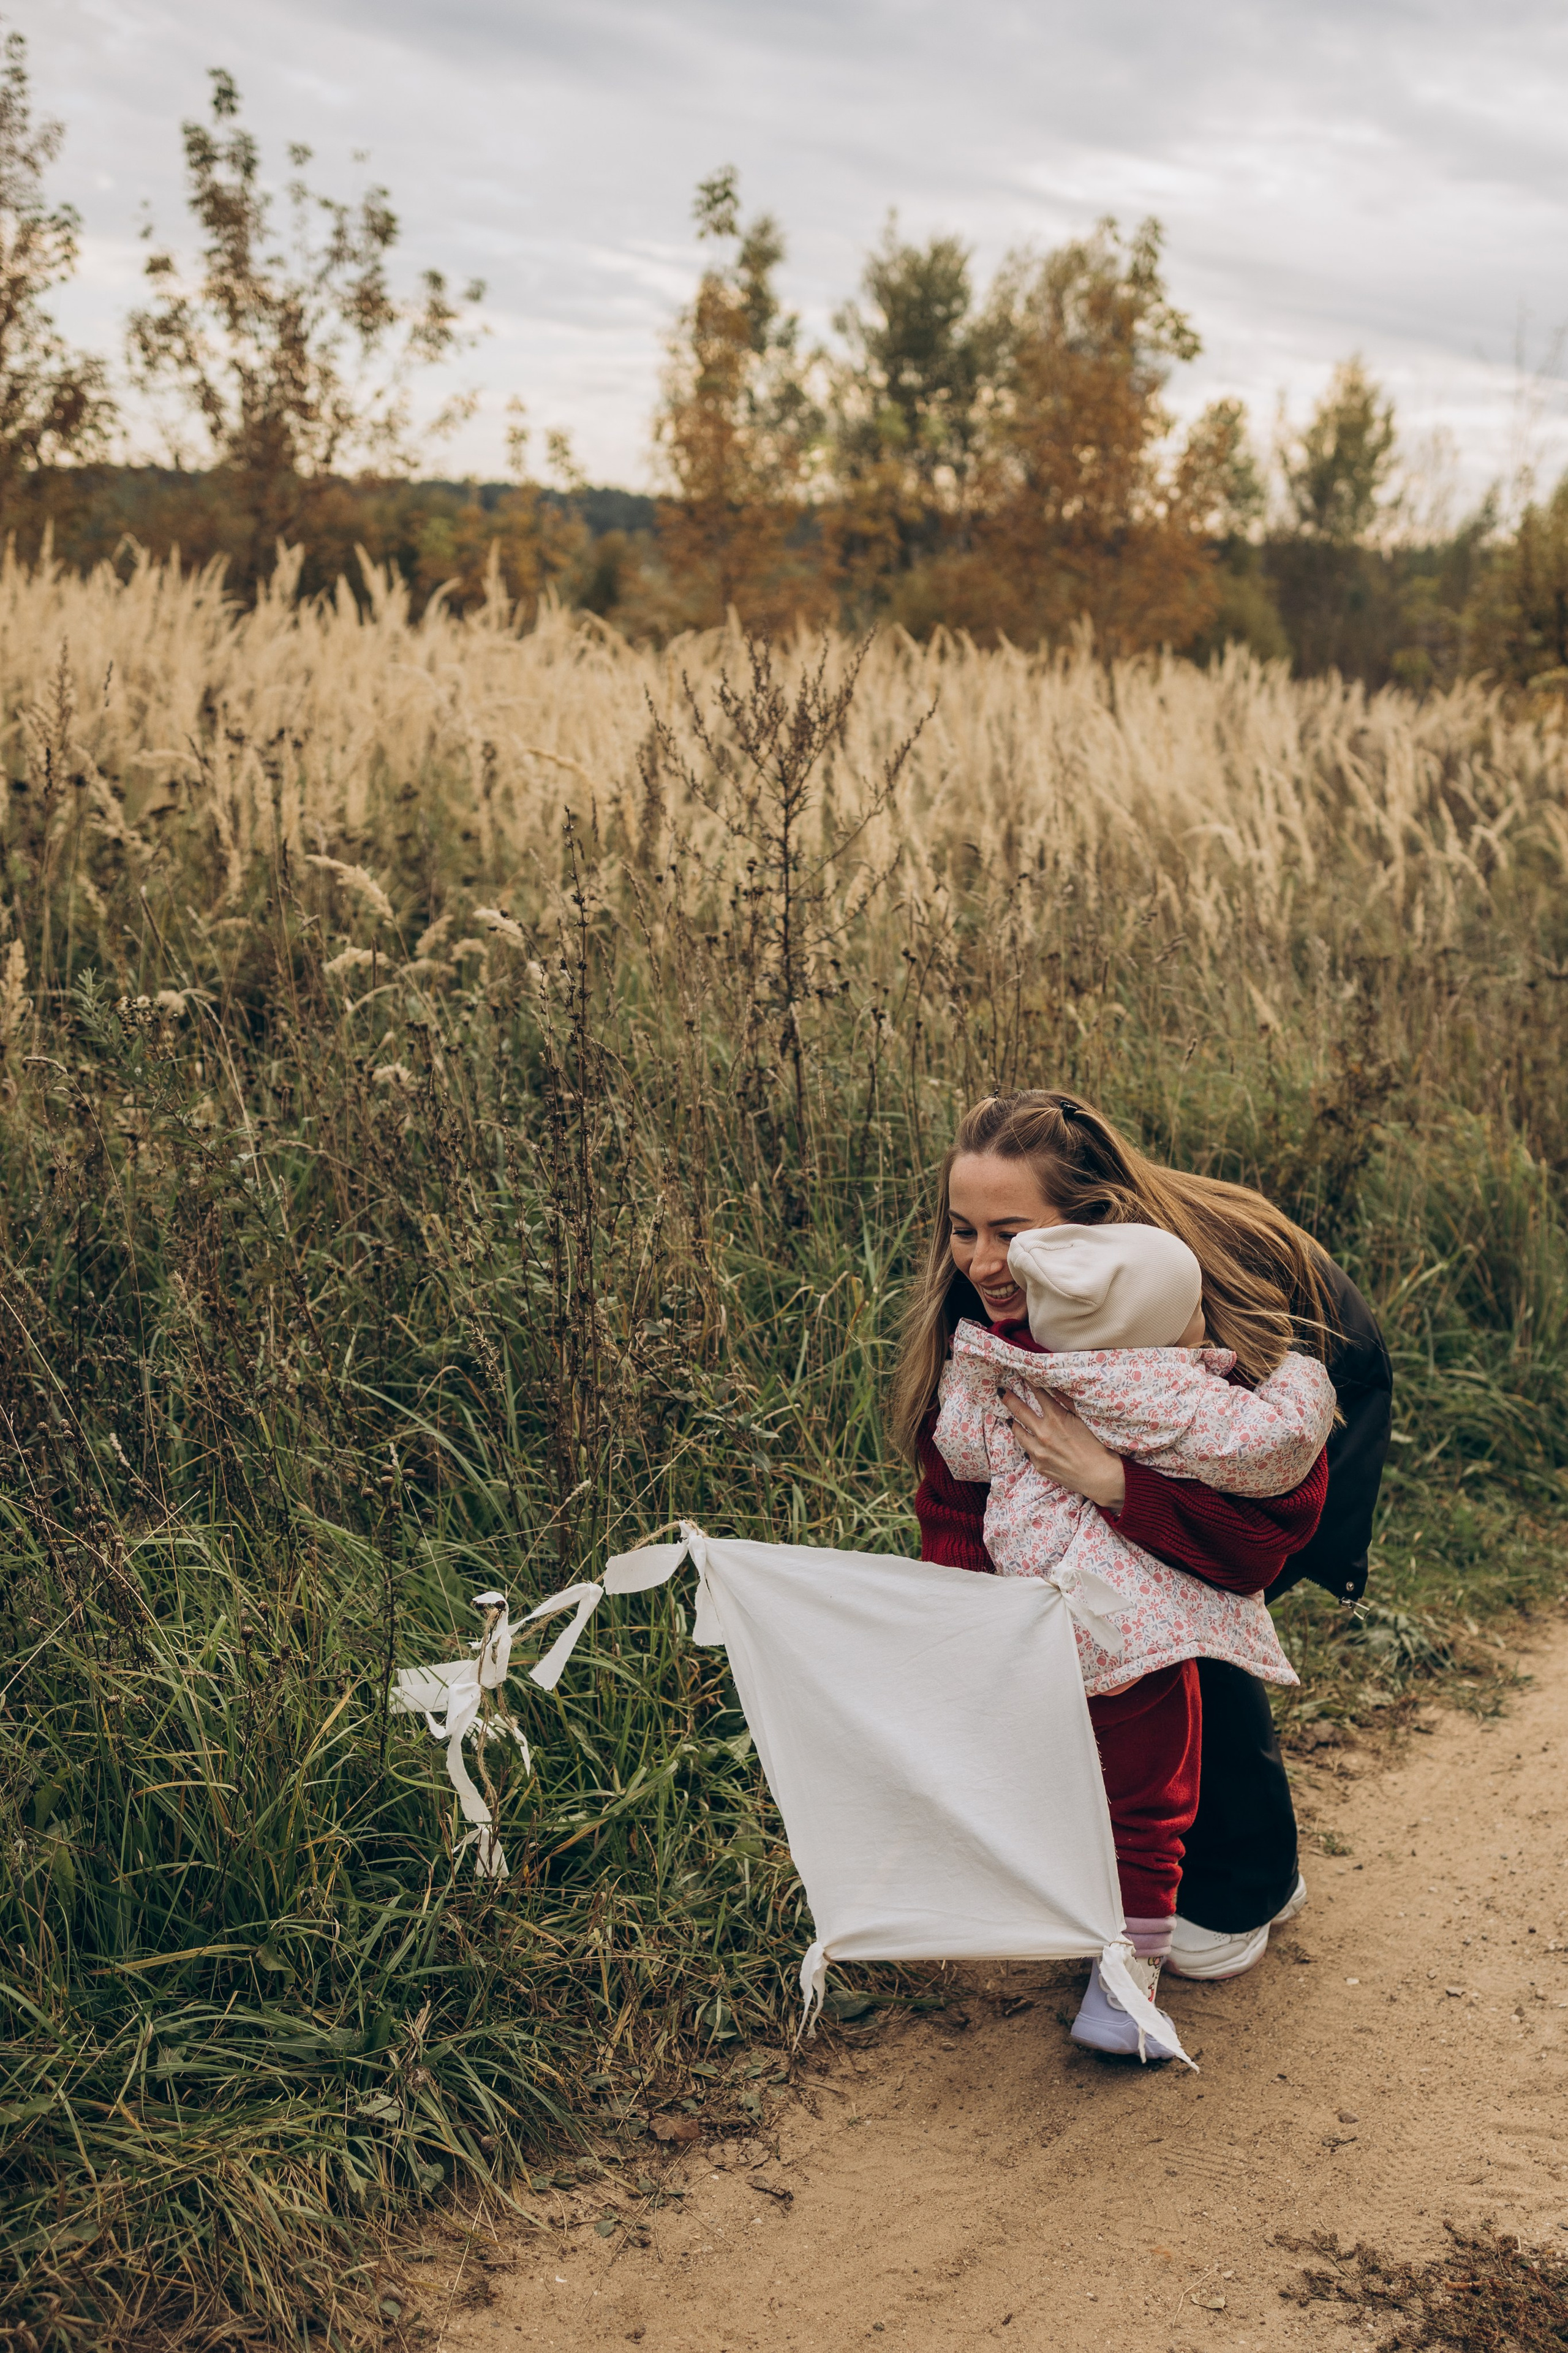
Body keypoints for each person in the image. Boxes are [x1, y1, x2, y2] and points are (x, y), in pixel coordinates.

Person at [889, 1089, 1392, 2040]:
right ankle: (1127, 1867)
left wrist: (1120, 1484)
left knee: (1173, 1616)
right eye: (962, 1230)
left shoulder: (1181, 1315)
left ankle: (1249, 1880)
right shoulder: (984, 1325)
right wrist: (972, 1635)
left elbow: (1251, 1550)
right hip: (1169, 1450)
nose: (982, 1260)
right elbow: (957, 1503)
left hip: (1310, 1397)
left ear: (1089, 1228)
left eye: (1011, 1233)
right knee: (1099, 1618)